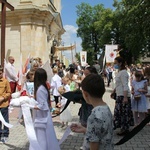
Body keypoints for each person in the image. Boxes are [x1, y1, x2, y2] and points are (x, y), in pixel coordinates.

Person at [70, 74, 114, 150]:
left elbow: (94, 143)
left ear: (85, 94)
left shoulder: (94, 116)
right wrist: (85, 129)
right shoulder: (106, 108)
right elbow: (100, 132)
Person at [31, 68, 60, 150]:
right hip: (44, 116)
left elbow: (42, 106)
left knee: (42, 138)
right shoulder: (43, 87)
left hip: (42, 117)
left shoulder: (40, 89)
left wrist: (30, 105)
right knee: (45, 137)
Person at [111, 56, 134, 135]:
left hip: (123, 96)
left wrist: (125, 97)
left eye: (116, 63)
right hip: (119, 94)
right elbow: (118, 84)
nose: (115, 65)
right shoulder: (119, 72)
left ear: (120, 63)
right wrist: (114, 91)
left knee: (123, 113)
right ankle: (122, 128)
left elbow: (125, 85)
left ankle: (124, 129)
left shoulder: (123, 72)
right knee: (121, 112)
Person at [0, 66, 11, 143]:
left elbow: (9, 92)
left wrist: (3, 98)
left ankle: (5, 134)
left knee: (5, 120)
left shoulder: (5, 81)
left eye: (0, 73)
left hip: (3, 104)